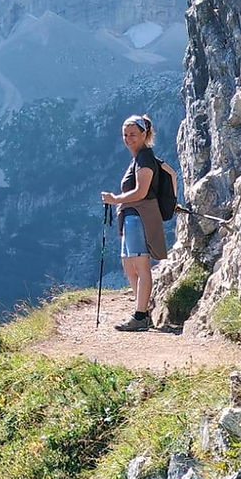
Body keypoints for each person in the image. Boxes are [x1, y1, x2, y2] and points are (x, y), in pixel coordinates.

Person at [101, 114, 168, 331]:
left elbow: (141, 191)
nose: (128, 138)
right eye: (125, 134)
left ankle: (140, 315)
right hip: (131, 217)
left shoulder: (145, 158)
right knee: (129, 265)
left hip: (140, 217)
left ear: (144, 134)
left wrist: (115, 199)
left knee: (140, 265)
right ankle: (141, 310)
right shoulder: (138, 158)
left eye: (133, 134)